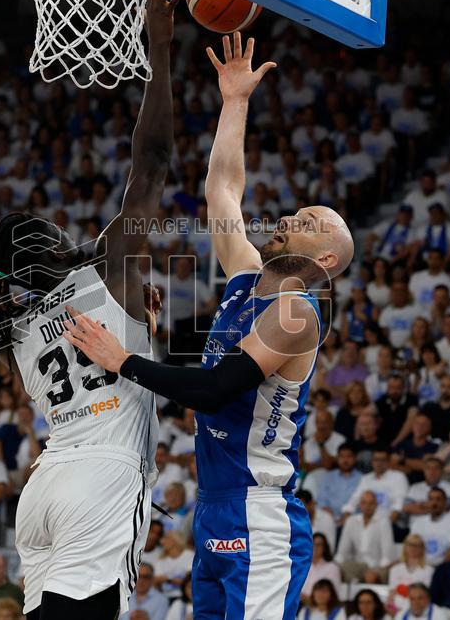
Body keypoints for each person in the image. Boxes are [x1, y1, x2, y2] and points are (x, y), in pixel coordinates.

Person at [63, 31, 354, 620]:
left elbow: (215, 389)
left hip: (261, 512)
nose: (293, 217)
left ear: (324, 260)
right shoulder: (247, 274)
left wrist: (123, 360)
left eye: (308, 221)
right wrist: (236, 101)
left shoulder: (299, 314)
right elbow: (223, 190)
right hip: (216, 506)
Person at [0, 0, 179, 620]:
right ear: (47, 246)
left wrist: (136, 327)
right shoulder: (114, 270)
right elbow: (151, 160)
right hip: (100, 479)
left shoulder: (11, 322)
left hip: (43, 487)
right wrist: (160, 49)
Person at [335, 491, 397, 583]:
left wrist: (377, 571)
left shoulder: (384, 522)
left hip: (377, 566)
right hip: (357, 565)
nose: (367, 506)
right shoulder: (351, 521)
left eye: (371, 503)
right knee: (335, 571)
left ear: (376, 505)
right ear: (360, 505)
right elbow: (342, 552)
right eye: (364, 503)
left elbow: (386, 556)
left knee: (370, 576)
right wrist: (335, 567)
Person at [386, 534, 434, 616]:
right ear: (405, 547)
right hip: (397, 609)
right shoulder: (395, 569)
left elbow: (424, 594)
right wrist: (391, 608)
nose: (413, 548)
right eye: (410, 545)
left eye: (417, 545)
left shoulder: (429, 570)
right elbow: (391, 593)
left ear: (422, 549)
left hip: (418, 609)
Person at [301, 533, 342, 606]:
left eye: (318, 545)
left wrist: (309, 599)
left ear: (324, 548)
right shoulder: (302, 566)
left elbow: (333, 594)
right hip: (299, 605)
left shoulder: (332, 567)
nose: (315, 547)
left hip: (321, 607)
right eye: (313, 544)